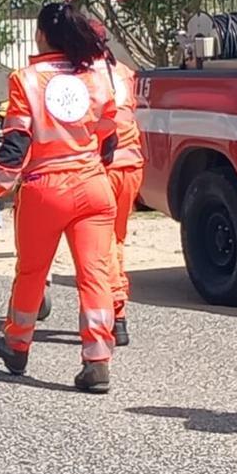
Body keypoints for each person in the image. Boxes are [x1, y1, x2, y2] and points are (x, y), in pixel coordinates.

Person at [0, 2, 118, 393]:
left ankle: (17, 344)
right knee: (95, 274)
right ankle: (97, 360)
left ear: (42, 35)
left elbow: (16, 144)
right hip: (94, 187)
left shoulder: (26, 80)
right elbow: (109, 135)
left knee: (33, 272)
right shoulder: (96, 75)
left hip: (46, 190)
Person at [91, 20, 142, 348]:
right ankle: (116, 311)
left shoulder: (86, 76)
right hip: (131, 165)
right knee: (117, 238)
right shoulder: (123, 71)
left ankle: (116, 312)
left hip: (104, 167)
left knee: (103, 243)